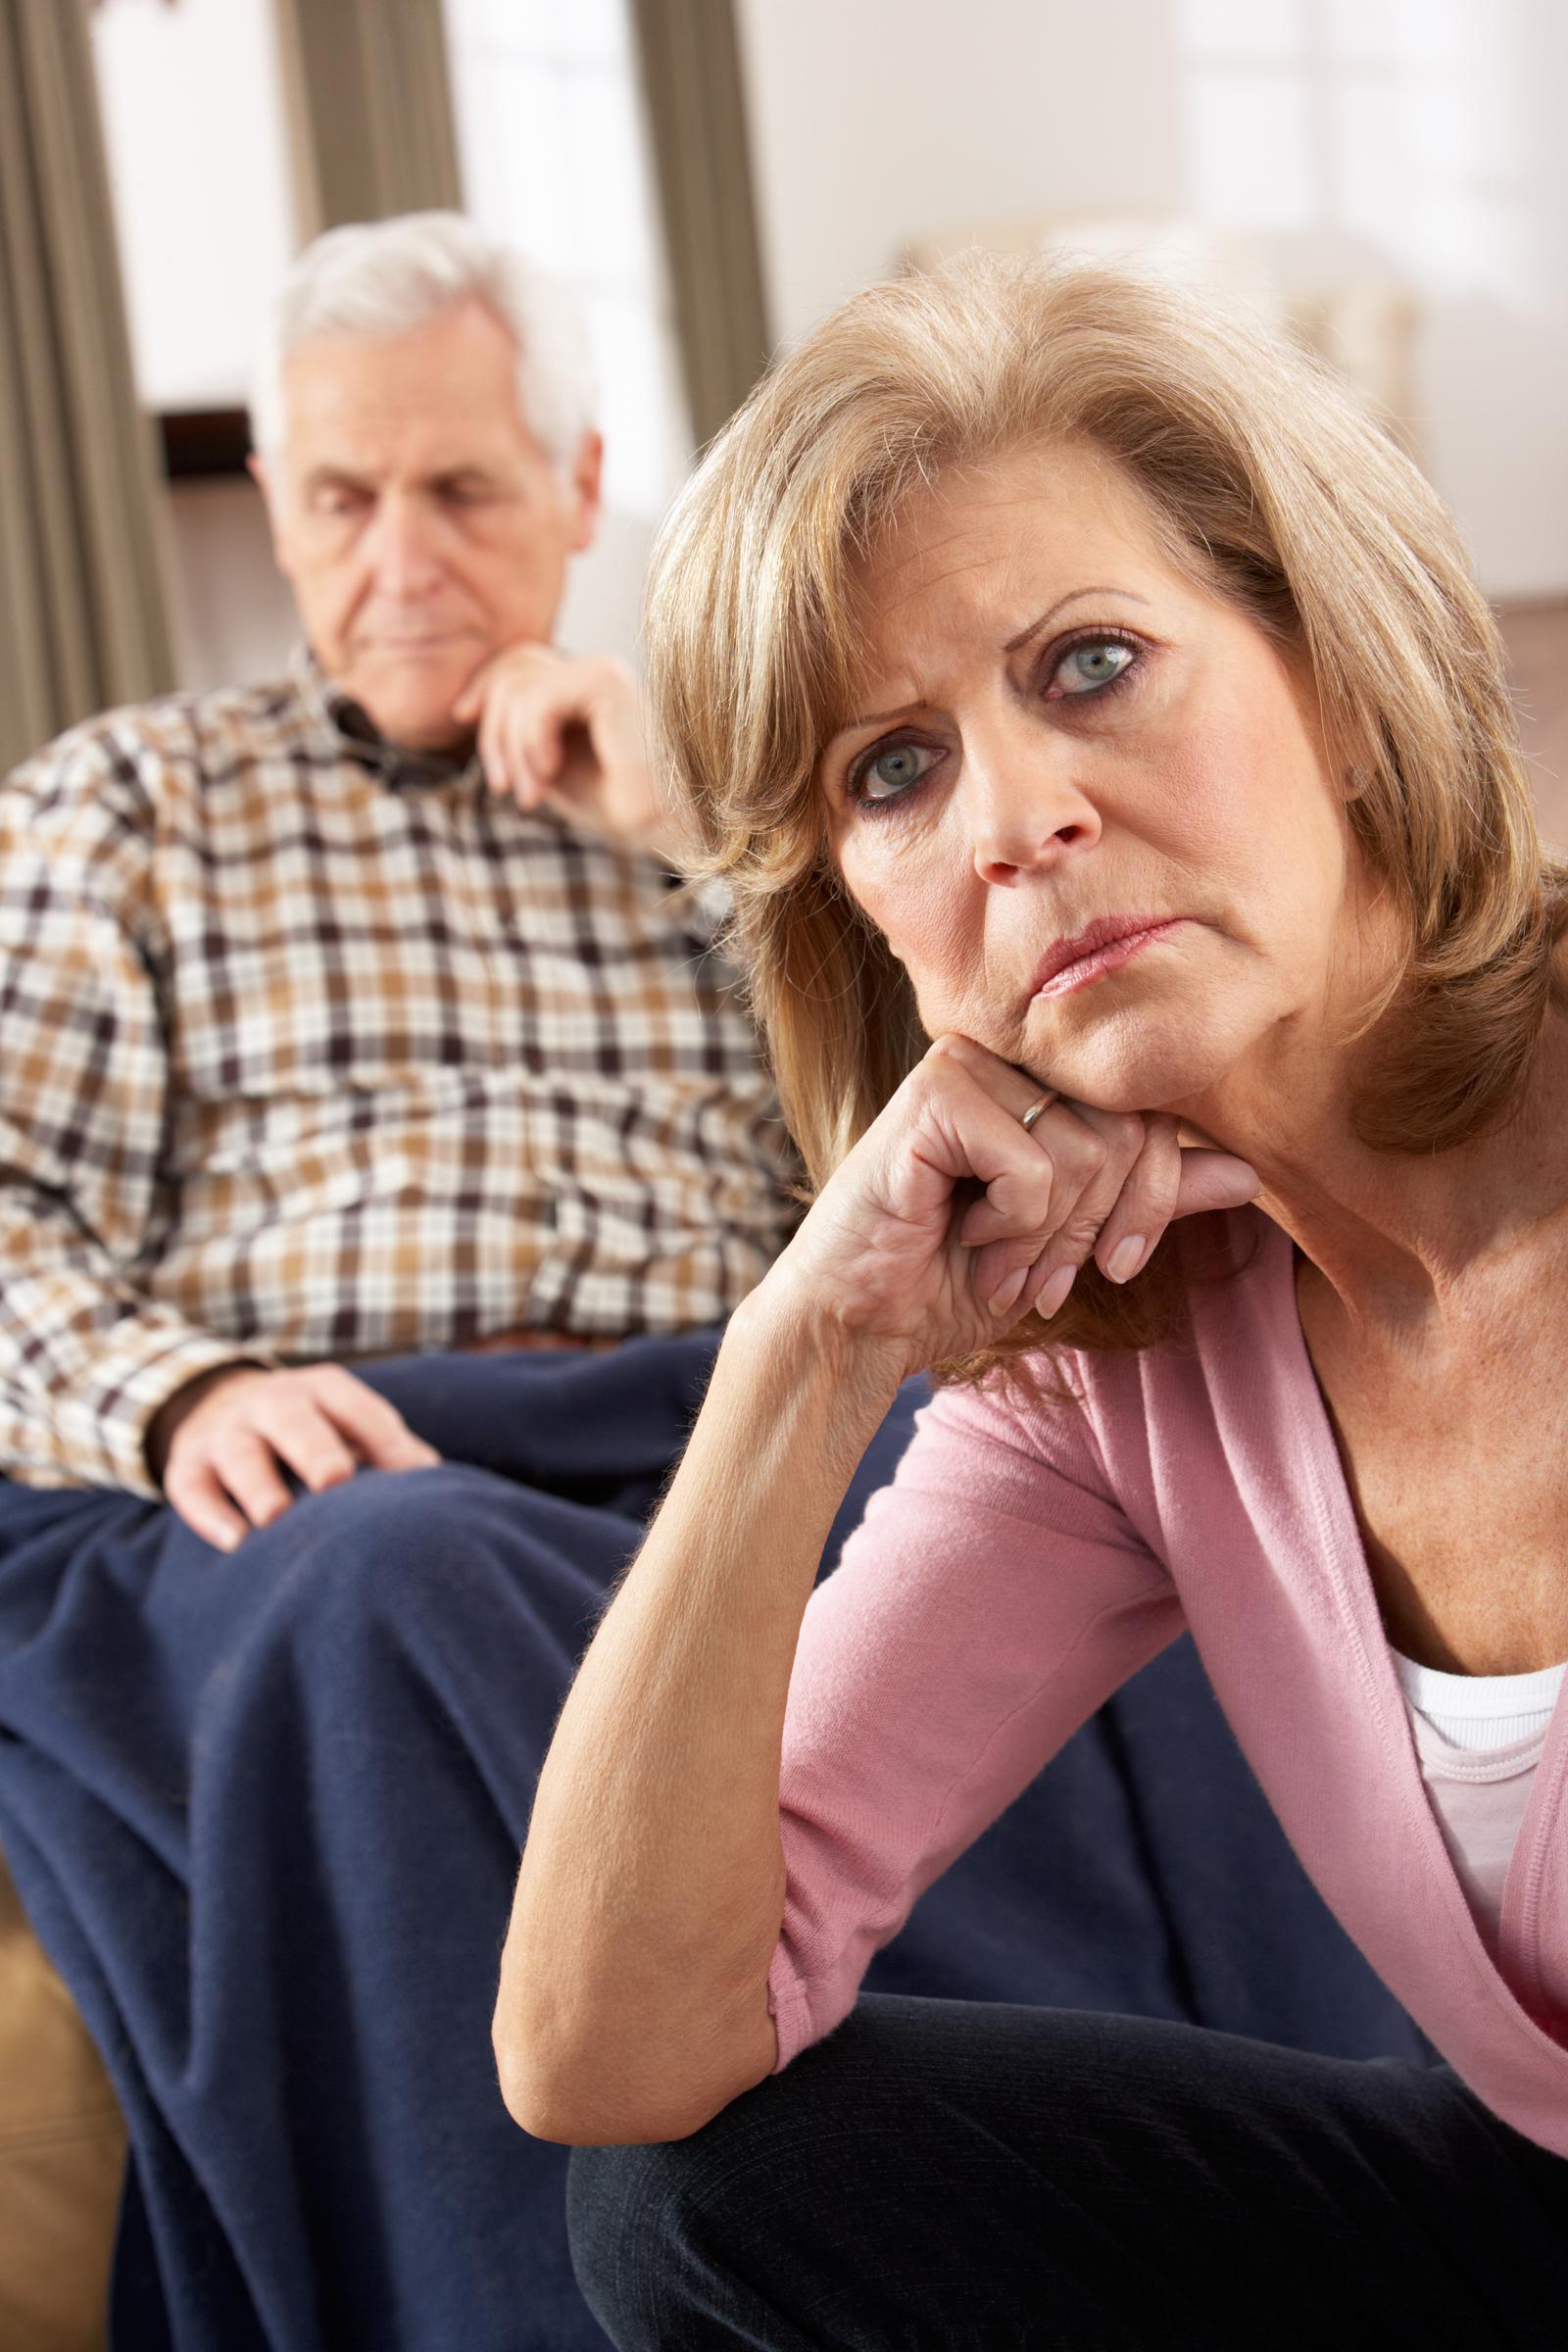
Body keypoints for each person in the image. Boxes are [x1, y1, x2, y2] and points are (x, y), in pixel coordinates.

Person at [499, 253, 1568, 2347]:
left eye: (1091, 664)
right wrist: (804, 1357)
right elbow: (608, 2049)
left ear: (1342, 688)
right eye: (891, 772)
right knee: (718, 2196)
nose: (1017, 819)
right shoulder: (1117, 1367)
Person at [0, 210, 803, 2348]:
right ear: (277, 504)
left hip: (706, 1435)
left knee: (1061, 1486)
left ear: (578, 484)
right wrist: (180, 1393)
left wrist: (707, 845)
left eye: (460, 490)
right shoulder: (132, 808)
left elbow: (944, 1132)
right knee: (400, 1566)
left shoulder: (719, 816)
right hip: (310, 1471)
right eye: (342, 500)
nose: (401, 560)